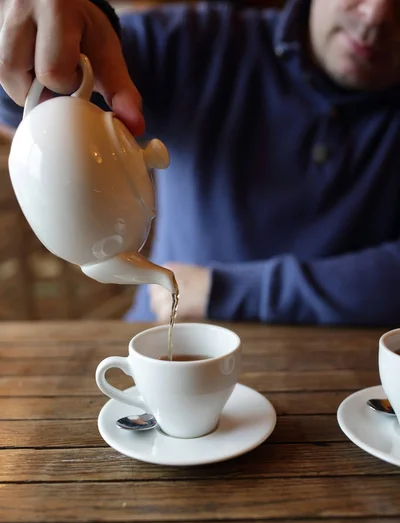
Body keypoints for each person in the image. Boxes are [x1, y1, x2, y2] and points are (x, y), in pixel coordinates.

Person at [1, 0, 400, 326]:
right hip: (159, 339)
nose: (378, 15)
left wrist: (227, 291)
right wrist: (30, 39)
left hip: (343, 368)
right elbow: (28, 103)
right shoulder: (199, 42)